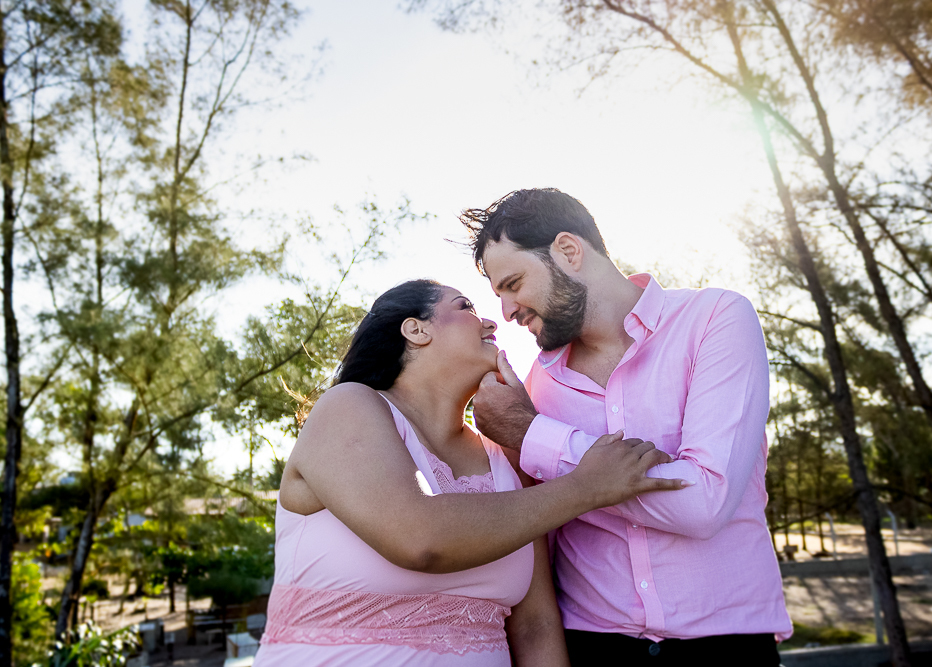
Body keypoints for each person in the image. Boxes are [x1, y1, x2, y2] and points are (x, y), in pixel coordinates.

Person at [253, 279, 692, 667]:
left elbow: (535, 626)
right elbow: (420, 539)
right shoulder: (349, 406)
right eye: (465, 306)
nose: (492, 323)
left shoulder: (504, 459)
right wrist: (586, 486)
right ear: (416, 329)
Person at [462, 189, 793, 665]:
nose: (508, 311)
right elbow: (537, 529)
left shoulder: (716, 319)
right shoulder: (532, 387)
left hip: (726, 648)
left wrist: (533, 436)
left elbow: (703, 501)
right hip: (593, 648)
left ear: (568, 251)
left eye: (513, 283)